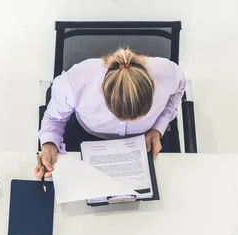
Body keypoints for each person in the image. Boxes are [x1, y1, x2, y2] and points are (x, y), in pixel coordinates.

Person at [34, 48, 186, 181]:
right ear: (101, 89)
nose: (130, 122)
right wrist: (49, 144)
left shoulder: (168, 74)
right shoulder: (75, 82)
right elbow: (54, 118)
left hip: (145, 140)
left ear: (153, 85)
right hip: (86, 137)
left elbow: (177, 93)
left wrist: (157, 129)